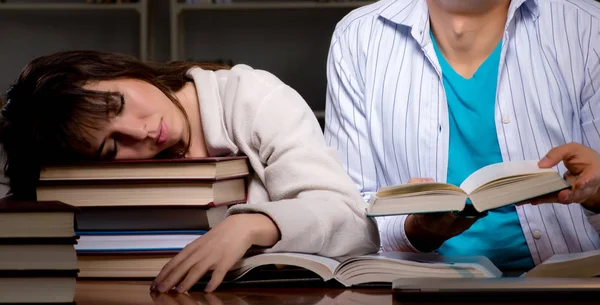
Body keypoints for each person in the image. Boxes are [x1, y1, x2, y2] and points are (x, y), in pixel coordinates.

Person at [0, 50, 380, 292]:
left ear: (121, 69)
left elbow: (352, 221)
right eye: (113, 147)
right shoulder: (105, 181)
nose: (142, 132)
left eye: (118, 104)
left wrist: (249, 226)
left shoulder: (252, 96)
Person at [324, 0, 600, 270]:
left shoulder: (588, 27)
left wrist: (595, 196)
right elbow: (348, 215)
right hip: (414, 289)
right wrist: (416, 230)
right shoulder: (358, 38)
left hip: (571, 287)